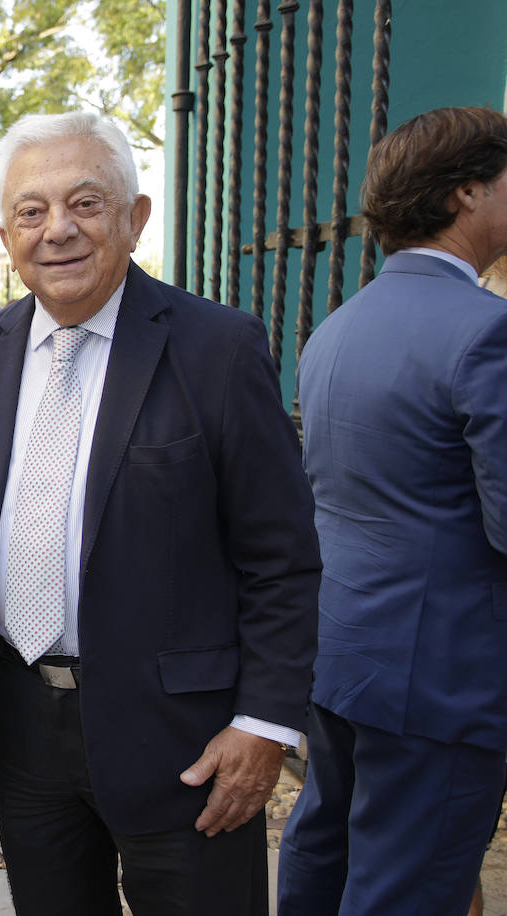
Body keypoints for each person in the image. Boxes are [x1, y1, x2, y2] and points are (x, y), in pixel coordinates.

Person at [0, 111, 320, 915]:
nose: (57, 231)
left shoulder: (217, 348)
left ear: (134, 216)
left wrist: (266, 723)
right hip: (23, 734)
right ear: (6, 232)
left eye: (85, 203)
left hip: (185, 743)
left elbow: (282, 557)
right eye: (31, 211)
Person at [278, 105, 507, 916]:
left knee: (325, 845)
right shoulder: (487, 331)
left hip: (342, 651)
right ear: (468, 193)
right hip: (442, 673)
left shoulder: (336, 330)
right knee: (407, 887)